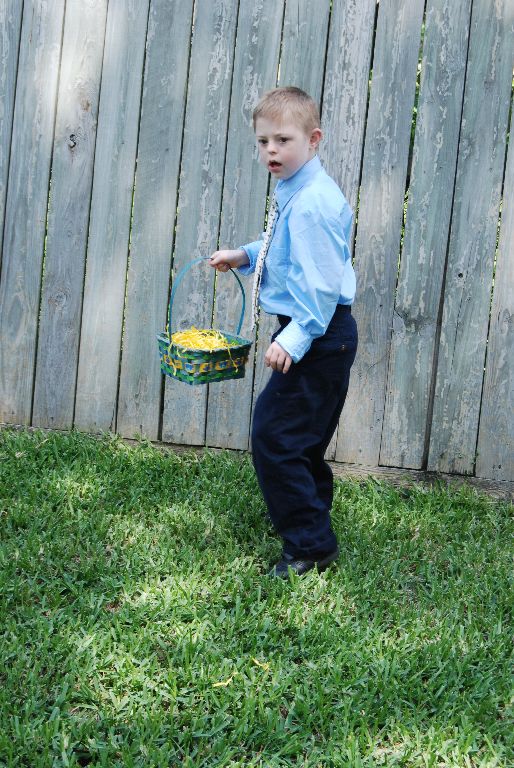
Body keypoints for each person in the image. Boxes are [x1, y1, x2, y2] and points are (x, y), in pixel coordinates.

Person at [209, 86, 358, 578]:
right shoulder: (296, 189)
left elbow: (320, 286)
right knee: (301, 436)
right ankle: (308, 513)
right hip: (321, 332)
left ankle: (311, 545)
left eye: (283, 140)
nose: (271, 150)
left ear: (313, 140)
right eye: (263, 141)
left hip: (317, 331)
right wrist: (245, 255)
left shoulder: (313, 203)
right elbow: (284, 248)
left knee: (274, 434)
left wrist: (293, 338)